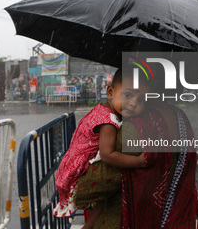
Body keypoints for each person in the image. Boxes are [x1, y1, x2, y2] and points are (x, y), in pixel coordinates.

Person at [54, 68, 151, 228]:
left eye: (141, 100)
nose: (133, 103)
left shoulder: (104, 110)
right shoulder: (108, 121)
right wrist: (138, 161)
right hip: (79, 172)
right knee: (103, 198)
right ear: (111, 92)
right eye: (127, 95)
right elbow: (107, 155)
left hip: (73, 164)